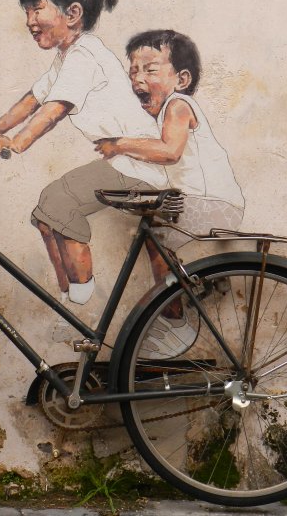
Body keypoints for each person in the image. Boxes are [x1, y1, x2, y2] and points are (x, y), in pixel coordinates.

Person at [0, 0, 168, 305]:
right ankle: (69, 293)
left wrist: (17, 142)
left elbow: (54, 110)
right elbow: (31, 101)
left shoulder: (86, 55)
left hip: (135, 165)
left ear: (73, 13)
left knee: (59, 202)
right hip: (122, 164)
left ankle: (82, 299)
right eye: (26, 12)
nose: (29, 22)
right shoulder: (66, 58)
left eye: (37, 9)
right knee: (45, 214)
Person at [95, 30, 245, 357]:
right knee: (158, 236)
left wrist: (119, 144)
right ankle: (193, 287)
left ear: (182, 78)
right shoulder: (163, 114)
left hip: (216, 204)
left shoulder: (178, 106)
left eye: (150, 70)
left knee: (158, 237)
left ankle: (177, 321)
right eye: (133, 71)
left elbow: (170, 151)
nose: (138, 78)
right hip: (201, 201)